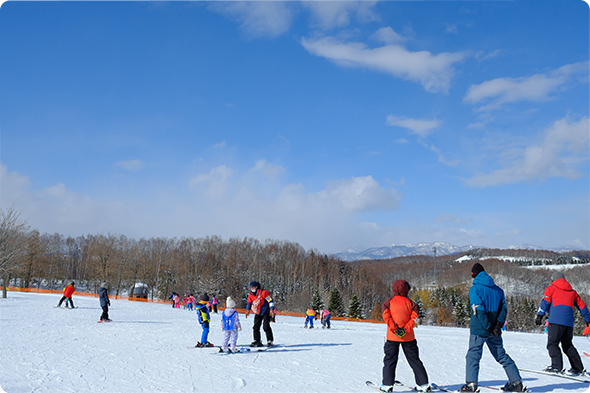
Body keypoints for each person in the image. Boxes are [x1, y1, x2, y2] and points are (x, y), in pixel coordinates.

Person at [462, 263, 525, 392]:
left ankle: (471, 385)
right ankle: (516, 382)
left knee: (473, 356)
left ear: (474, 275)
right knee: (501, 355)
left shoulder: (475, 289)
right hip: (494, 330)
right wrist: (497, 326)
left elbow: (478, 309)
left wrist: (488, 327)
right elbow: (503, 309)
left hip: (479, 329)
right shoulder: (498, 290)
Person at [535, 271, 590, 375]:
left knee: (552, 344)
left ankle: (556, 367)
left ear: (553, 280)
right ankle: (578, 368)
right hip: (568, 323)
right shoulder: (572, 292)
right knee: (567, 345)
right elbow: (582, 306)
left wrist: (540, 315)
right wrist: (588, 319)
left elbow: (545, 302)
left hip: (555, 321)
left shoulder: (551, 288)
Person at [380, 279, 430, 393]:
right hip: (408, 337)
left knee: (390, 361)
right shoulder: (412, 303)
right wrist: (405, 329)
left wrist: (395, 329)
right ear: (407, 290)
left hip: (392, 337)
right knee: (415, 360)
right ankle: (423, 385)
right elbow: (415, 319)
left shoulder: (388, 302)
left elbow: (386, 317)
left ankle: (387, 385)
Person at [245, 281, 276, 347]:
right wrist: (247, 310)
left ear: (256, 287)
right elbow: (249, 302)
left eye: (252, 287)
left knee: (266, 326)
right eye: (250, 287)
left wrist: (271, 309)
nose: (251, 288)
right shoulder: (250, 294)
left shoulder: (264, 292)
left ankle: (270, 340)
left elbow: (270, 301)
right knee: (256, 327)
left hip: (266, 312)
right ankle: (257, 340)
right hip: (258, 312)